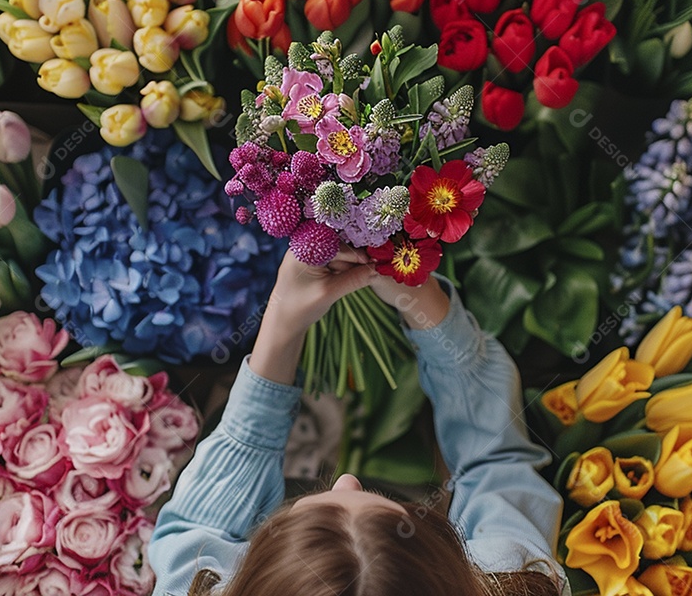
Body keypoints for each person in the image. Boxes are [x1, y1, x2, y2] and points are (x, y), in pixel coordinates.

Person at [149, 248, 567, 596]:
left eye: (320, 503)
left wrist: (282, 318)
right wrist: (422, 302)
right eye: (381, 499)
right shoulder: (518, 579)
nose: (346, 479)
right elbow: (497, 461)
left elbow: (197, 527)